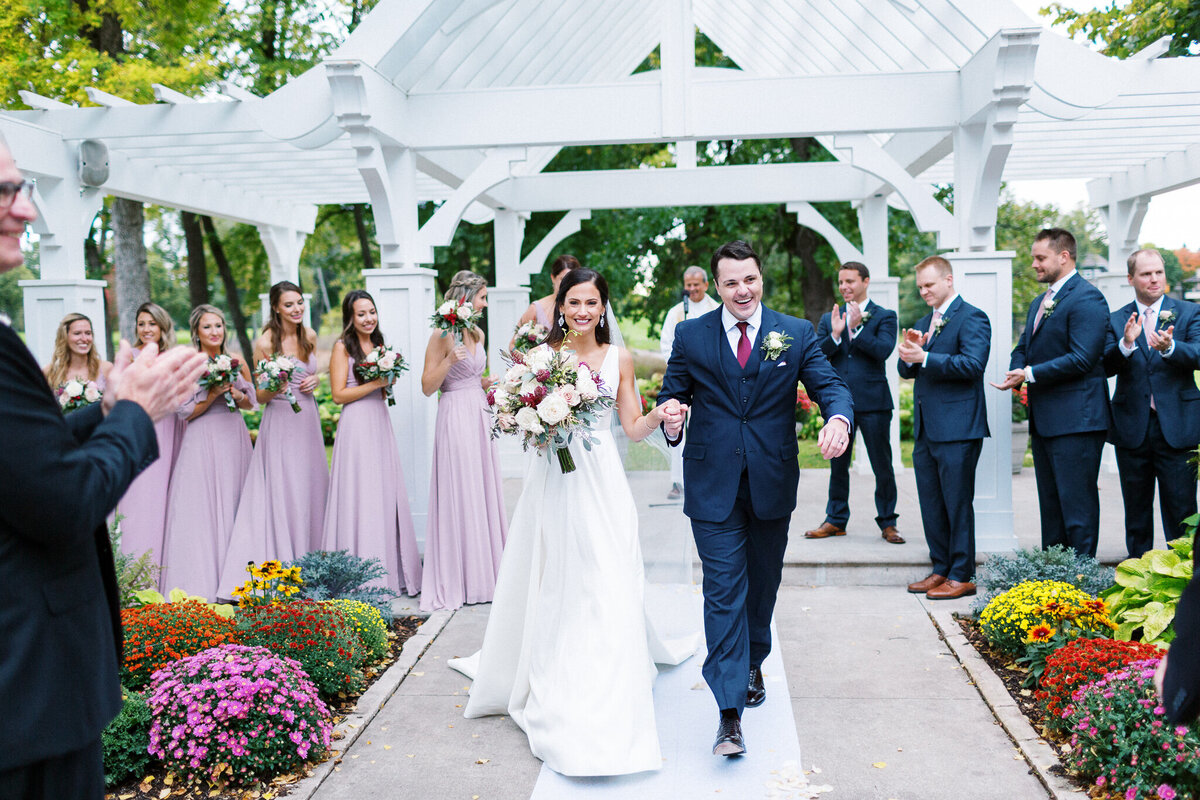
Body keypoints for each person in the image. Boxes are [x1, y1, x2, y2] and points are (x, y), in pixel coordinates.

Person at [0, 141, 207, 800]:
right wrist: (138, 416)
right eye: (6, 191)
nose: (27, 210)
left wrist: (108, 411)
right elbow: (63, 500)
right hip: (28, 691)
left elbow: (23, 462)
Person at [455, 268, 697, 776]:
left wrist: (659, 419)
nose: (583, 311)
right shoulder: (542, 359)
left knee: (609, 575)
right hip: (554, 481)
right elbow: (519, 412)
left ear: (603, 308)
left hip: (602, 480)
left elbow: (631, 427)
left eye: (592, 302)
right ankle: (561, 670)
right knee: (560, 577)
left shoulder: (619, 358)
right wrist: (529, 412)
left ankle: (611, 677)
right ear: (560, 307)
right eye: (574, 303)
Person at [658, 240, 853, 757]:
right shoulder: (690, 333)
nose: (742, 291)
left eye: (750, 279)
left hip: (771, 482)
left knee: (761, 588)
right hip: (712, 484)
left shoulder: (795, 332)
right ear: (715, 288)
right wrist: (672, 416)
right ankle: (728, 714)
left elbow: (830, 385)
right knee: (722, 591)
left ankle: (752, 663)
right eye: (730, 283)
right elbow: (671, 393)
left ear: (760, 278)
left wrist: (837, 416)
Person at [993, 228, 1111, 558]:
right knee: (1052, 507)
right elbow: (1024, 347)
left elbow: (1083, 358)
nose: (1034, 264)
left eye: (1040, 257)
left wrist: (1029, 373)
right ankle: (1054, 578)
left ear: (1064, 256)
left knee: (1078, 508)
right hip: (1047, 420)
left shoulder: (1087, 297)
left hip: (1078, 421)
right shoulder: (1039, 302)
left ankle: (1081, 582)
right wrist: (1017, 371)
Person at [218, 281, 327, 597]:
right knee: (284, 487)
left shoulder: (309, 336)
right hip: (280, 421)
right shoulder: (264, 341)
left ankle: (312, 564)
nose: (297, 310)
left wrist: (315, 380)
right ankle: (281, 565)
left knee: (309, 486)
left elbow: (313, 373)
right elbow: (257, 396)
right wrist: (277, 387)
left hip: (307, 418)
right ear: (276, 308)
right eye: (289, 305)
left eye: (299, 303)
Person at [898, 257, 991, 600]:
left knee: (957, 503)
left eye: (929, 285)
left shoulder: (973, 317)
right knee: (932, 503)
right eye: (920, 286)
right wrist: (910, 351)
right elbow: (907, 371)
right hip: (927, 428)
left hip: (959, 428)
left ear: (948, 280)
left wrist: (926, 357)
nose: (923, 291)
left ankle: (962, 574)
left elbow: (973, 364)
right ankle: (940, 568)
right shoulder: (925, 322)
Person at [321, 289, 422, 597]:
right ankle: (356, 572)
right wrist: (376, 382)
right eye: (361, 314)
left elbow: (379, 389)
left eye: (372, 312)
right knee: (359, 492)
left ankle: (385, 569)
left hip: (378, 419)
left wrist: (386, 384)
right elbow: (338, 395)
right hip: (356, 424)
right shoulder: (342, 347)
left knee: (380, 491)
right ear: (350, 318)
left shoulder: (379, 345)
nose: (368, 319)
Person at [1102, 249, 1200, 559]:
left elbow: (1198, 354)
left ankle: (1185, 580)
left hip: (1178, 427)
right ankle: (1139, 578)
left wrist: (1171, 348)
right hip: (1132, 429)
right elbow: (1103, 366)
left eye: (1158, 272)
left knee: (1182, 510)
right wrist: (1126, 344)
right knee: (1137, 511)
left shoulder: (1188, 312)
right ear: (1131, 278)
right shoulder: (1117, 319)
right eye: (1146, 274)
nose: (1154, 279)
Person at [419, 270, 507, 611]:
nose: (485, 303)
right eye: (483, 297)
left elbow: (473, 377)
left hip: (479, 414)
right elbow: (428, 386)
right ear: (466, 298)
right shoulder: (441, 334)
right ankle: (461, 578)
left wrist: (486, 384)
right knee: (461, 489)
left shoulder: (476, 331)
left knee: (481, 487)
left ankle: (485, 573)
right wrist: (447, 360)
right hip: (454, 414)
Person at [160, 305, 256, 599]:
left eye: (219, 325)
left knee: (236, 500)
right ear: (196, 332)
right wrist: (212, 393)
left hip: (233, 434)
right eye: (207, 327)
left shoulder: (236, 362)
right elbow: (184, 412)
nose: (215, 332)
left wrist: (236, 393)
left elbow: (251, 401)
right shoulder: (188, 365)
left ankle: (236, 579)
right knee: (200, 505)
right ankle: (198, 580)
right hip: (202, 437)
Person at [807, 261, 902, 544]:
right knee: (837, 464)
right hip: (840, 407)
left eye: (850, 281)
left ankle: (888, 522)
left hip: (874, 403)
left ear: (866, 281)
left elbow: (883, 351)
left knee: (881, 465)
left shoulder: (885, 316)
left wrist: (856, 330)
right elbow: (817, 354)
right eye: (841, 282)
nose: (845, 287)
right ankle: (835, 520)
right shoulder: (829, 319)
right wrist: (836, 333)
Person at [114, 301, 187, 572]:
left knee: (172, 499)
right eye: (141, 324)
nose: (146, 329)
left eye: (151, 323)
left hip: (173, 427)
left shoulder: (174, 356)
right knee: (142, 497)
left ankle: (171, 571)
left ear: (162, 326)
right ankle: (138, 571)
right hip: (143, 429)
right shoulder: (131, 357)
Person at [658, 265, 720, 500]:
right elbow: (666, 344)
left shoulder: (716, 308)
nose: (692, 289)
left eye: (696, 284)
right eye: (688, 285)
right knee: (676, 427)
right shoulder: (675, 312)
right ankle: (677, 481)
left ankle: (709, 477)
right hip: (683, 383)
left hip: (709, 383)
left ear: (706, 284)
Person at [511, 253, 578, 345]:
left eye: (571, 279)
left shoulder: (583, 311)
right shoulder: (536, 308)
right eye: (563, 279)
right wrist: (530, 358)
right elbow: (513, 345)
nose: (567, 284)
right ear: (553, 278)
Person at [42, 312, 112, 397]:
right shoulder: (50, 372)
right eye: (77, 333)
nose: (84, 339)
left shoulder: (106, 369)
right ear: (65, 337)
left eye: (88, 333)